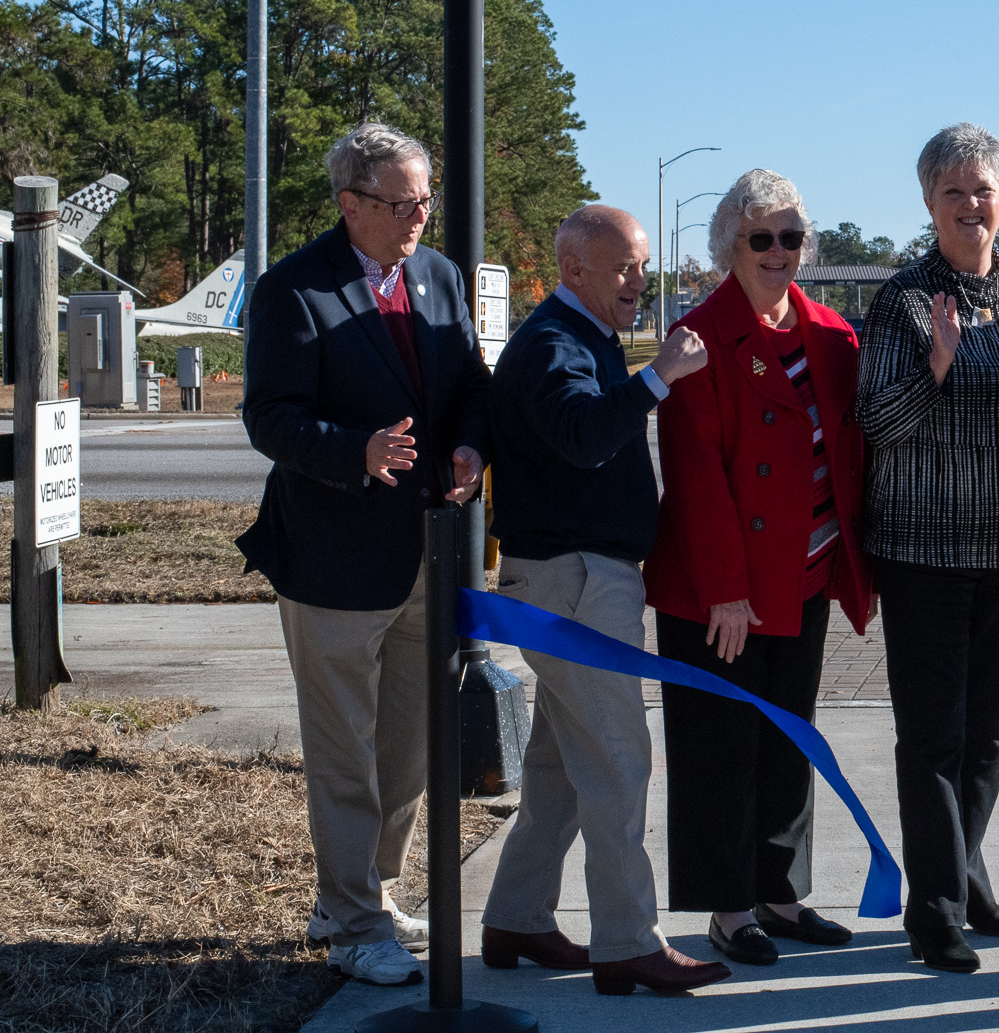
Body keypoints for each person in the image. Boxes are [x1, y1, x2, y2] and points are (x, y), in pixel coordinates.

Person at [238, 122, 491, 986]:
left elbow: (469, 387)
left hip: (430, 551)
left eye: (426, 197)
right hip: (335, 555)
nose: (421, 213)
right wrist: (357, 450)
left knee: (410, 749)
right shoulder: (292, 290)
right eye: (402, 201)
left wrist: (469, 447)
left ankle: (369, 891)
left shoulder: (440, 276)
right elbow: (268, 416)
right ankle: (351, 925)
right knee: (345, 751)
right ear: (350, 204)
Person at [478, 204, 732, 997]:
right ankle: (627, 940)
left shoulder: (579, 337)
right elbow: (583, 434)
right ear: (573, 271)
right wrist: (660, 377)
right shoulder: (555, 342)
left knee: (559, 766)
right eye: (622, 266)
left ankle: (517, 915)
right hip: (575, 580)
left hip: (576, 576)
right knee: (620, 761)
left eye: (642, 264)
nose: (638, 279)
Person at [642, 169, 873, 967]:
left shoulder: (834, 336)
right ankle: (727, 907)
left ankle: (779, 892)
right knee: (718, 751)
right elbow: (695, 475)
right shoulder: (699, 338)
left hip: (803, 573)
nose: (779, 253)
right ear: (728, 247)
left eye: (791, 237)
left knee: (786, 742)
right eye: (761, 238)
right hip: (721, 594)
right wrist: (725, 590)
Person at [855, 123, 999, 974]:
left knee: (987, 733)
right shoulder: (902, 300)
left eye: (984, 190)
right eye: (954, 192)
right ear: (929, 203)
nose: (972, 205)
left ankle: (968, 880)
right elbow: (876, 421)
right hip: (922, 552)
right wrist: (935, 366)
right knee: (932, 737)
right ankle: (932, 914)